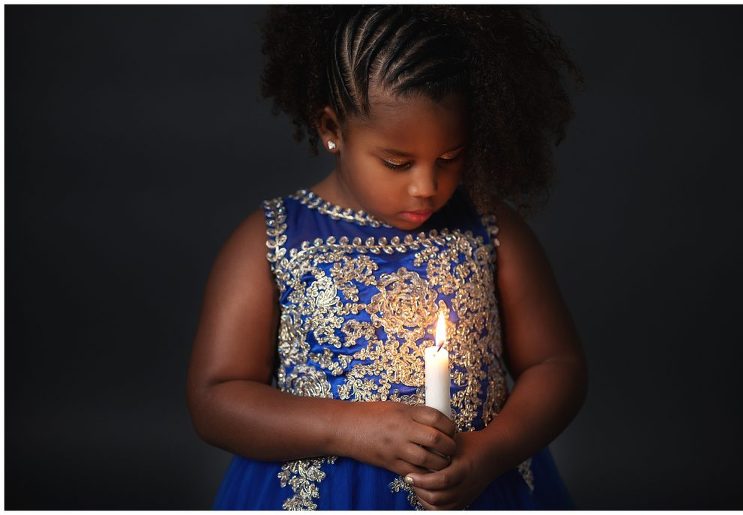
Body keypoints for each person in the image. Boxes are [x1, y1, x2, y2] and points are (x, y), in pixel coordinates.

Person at [187, 5, 588, 510]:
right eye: (397, 162)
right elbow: (216, 398)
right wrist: (349, 428)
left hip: (483, 487)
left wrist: (490, 452)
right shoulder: (268, 240)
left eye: (449, 158)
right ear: (332, 127)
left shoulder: (491, 228)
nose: (426, 187)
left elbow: (557, 364)